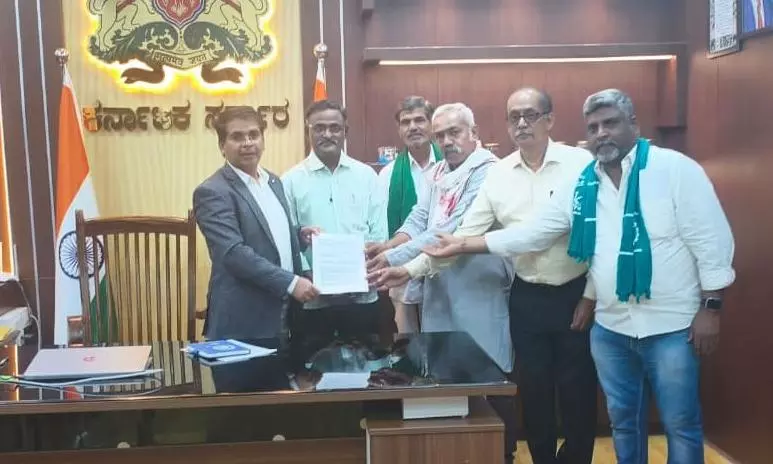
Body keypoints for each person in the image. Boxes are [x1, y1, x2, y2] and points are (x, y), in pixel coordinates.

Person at [417, 89, 736, 464]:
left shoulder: (671, 170)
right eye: (594, 127)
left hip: (668, 323)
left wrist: (711, 307)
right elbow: (536, 233)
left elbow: (712, 241)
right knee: (621, 422)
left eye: (611, 123)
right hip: (611, 324)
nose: (602, 133)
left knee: (678, 422)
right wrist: (460, 245)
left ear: (634, 124)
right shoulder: (585, 181)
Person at [376, 88, 598, 464]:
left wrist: (591, 294)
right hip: (526, 294)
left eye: (530, 115)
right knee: (534, 392)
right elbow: (459, 235)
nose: (522, 123)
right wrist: (406, 267)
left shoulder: (578, 164)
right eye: (514, 117)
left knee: (576, 391)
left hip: (571, 293)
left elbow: (588, 233)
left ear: (549, 119)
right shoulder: (498, 174)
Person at [367, 102, 517, 464]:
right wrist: (387, 246)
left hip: (477, 291)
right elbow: (419, 219)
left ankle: (503, 454)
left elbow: (453, 228)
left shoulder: (489, 171)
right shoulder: (438, 172)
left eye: (454, 132)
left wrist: (396, 259)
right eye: (441, 135)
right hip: (438, 289)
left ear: (474, 133)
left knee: (487, 377)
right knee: (447, 378)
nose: (447, 141)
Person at [193, 106, 319, 340]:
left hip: (284, 315)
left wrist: (299, 236)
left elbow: (268, 235)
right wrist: (291, 283)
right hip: (243, 322)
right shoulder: (212, 191)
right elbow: (233, 254)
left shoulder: (273, 181)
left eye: (253, 135)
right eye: (237, 137)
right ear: (222, 146)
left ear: (263, 140)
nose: (247, 143)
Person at [282, 100, 387, 353]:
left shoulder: (366, 176)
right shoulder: (290, 180)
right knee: (312, 370)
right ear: (308, 131)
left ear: (345, 132)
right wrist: (308, 274)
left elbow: (378, 231)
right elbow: (289, 237)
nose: (327, 134)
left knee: (366, 369)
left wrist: (367, 268)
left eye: (334, 128)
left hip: (361, 295)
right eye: (319, 128)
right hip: (313, 299)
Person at [368, 96, 442, 334]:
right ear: (399, 129)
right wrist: (385, 250)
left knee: (441, 337)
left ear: (432, 124)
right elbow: (384, 224)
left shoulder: (449, 166)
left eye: (419, 120)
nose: (413, 127)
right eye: (405, 122)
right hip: (402, 272)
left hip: (444, 267)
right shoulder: (388, 174)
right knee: (407, 339)